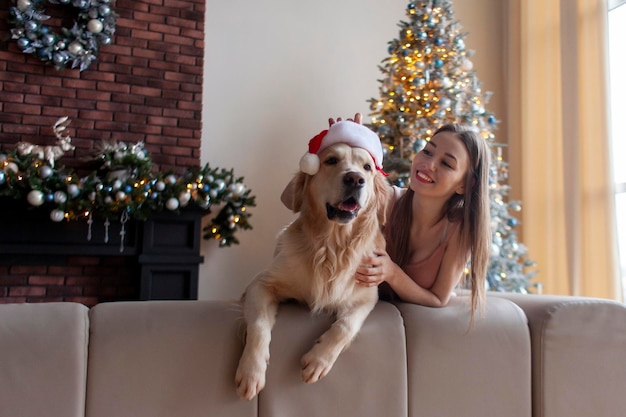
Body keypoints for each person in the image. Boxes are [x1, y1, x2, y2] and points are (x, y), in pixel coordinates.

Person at [283, 114, 492, 323]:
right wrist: (327, 152)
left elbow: (438, 299)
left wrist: (391, 273)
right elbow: (289, 200)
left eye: (446, 163)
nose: (429, 164)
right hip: (353, 309)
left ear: (465, 184)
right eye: (427, 151)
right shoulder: (386, 201)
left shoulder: (459, 232)